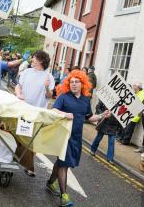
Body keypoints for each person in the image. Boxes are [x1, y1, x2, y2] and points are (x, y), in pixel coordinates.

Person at [46, 70, 110, 207]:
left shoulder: (86, 100)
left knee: (62, 163)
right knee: (64, 165)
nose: (74, 84)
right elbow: (54, 110)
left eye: (77, 82)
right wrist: (65, 114)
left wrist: (102, 115)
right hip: (63, 135)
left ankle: (50, 182)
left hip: (76, 137)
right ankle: (64, 197)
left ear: (83, 84)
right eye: (72, 82)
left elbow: (89, 118)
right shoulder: (64, 97)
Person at [15, 50, 55, 177]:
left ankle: (30, 166)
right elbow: (18, 86)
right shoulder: (27, 72)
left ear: (41, 61)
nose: (32, 59)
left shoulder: (49, 77)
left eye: (34, 58)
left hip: (38, 112)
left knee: (33, 139)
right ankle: (13, 159)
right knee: (19, 135)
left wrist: (47, 87)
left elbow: (50, 95)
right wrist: (18, 94)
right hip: (23, 109)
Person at [90, 100, 120, 165]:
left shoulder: (123, 103)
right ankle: (93, 150)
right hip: (104, 122)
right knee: (99, 137)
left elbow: (121, 115)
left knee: (111, 142)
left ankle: (110, 159)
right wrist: (103, 114)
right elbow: (98, 107)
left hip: (113, 124)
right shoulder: (107, 97)